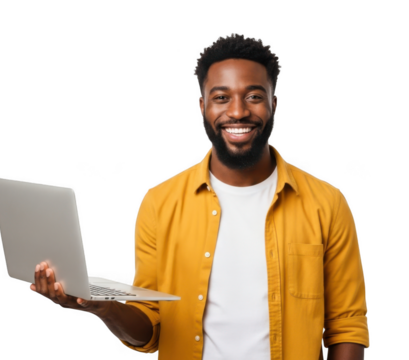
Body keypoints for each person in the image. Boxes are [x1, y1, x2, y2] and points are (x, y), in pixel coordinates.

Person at [29, 32, 370, 360]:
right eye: (222, 97)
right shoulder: (159, 203)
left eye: (253, 96)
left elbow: (347, 327)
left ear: (273, 104)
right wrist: (98, 305)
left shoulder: (327, 203)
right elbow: (147, 329)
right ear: (202, 106)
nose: (237, 112)